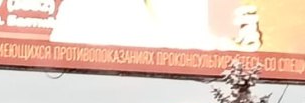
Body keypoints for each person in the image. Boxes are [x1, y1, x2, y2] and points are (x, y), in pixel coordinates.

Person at [50, 0, 252, 51]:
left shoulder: (211, 8)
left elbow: (224, 57)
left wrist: (243, 51)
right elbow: (63, 53)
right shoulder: (80, 8)